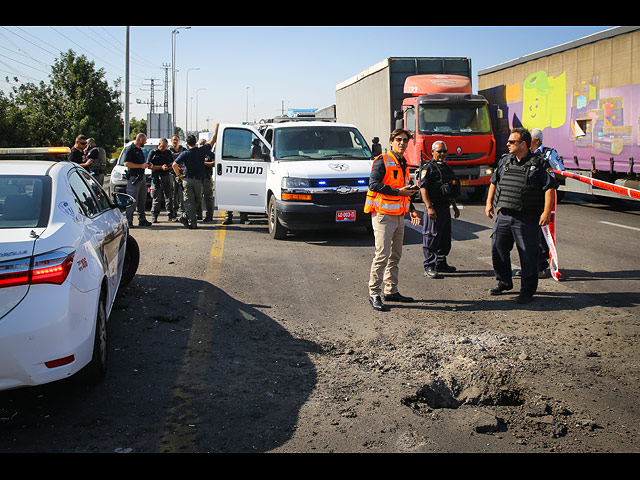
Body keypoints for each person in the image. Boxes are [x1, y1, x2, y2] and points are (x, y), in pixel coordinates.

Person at [485, 127, 558, 304]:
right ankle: (504, 282)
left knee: (528, 254)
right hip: (504, 214)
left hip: (526, 217)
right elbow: (494, 182)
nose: (508, 144)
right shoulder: (504, 161)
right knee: (498, 248)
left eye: (512, 142)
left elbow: (550, 188)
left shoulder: (539, 164)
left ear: (523, 144)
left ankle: (527, 290)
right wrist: (489, 203)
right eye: (508, 141)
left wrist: (546, 212)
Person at [364, 128, 421, 311]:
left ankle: (391, 290)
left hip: (398, 216)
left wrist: (411, 208)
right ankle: (374, 293)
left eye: (405, 140)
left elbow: (403, 189)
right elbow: (373, 184)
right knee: (381, 255)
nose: (402, 143)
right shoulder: (383, 161)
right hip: (383, 215)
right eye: (398, 139)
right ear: (391, 141)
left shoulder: (403, 162)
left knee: (395, 255)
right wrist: (398, 192)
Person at [418, 141, 460, 278]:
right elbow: (423, 189)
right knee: (431, 237)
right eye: (439, 151)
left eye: (444, 151)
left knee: (444, 237)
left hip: (445, 207)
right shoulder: (428, 168)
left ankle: (441, 263)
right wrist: (429, 207)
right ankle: (429, 265)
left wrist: (454, 206)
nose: (442, 154)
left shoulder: (447, 168)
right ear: (432, 152)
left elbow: (451, 189)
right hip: (434, 207)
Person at [530, 128, 564, 277]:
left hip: (542, 198)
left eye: (528, 137)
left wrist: (547, 172)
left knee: (541, 233)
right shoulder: (525, 153)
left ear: (536, 140)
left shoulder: (549, 153)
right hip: (527, 199)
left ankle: (542, 266)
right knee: (527, 234)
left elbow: (561, 173)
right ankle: (531, 265)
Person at [173, 125, 218, 229]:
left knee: (190, 201)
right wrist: (216, 127)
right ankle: (192, 221)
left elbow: (174, 165)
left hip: (188, 180)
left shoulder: (185, 153)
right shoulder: (202, 151)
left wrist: (179, 176)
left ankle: (187, 218)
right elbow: (213, 140)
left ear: (187, 144)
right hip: (198, 181)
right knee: (197, 201)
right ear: (196, 141)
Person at [123, 133, 152, 228]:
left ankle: (142, 219)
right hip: (134, 177)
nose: (146, 142)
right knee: (132, 200)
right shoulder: (130, 149)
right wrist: (140, 166)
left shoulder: (140, 150)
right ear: (140, 140)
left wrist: (147, 165)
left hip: (141, 177)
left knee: (142, 200)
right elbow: (126, 163)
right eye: (144, 140)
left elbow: (141, 163)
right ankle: (129, 221)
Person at [148, 138, 175, 223]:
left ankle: (170, 215)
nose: (164, 149)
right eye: (163, 147)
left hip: (166, 176)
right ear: (159, 145)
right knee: (156, 198)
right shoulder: (153, 152)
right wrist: (160, 167)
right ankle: (154, 216)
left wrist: (168, 167)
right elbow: (149, 165)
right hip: (156, 177)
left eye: (166, 147)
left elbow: (172, 163)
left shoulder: (168, 152)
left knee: (169, 197)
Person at [169, 134, 187, 221]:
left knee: (183, 194)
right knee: (173, 195)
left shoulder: (183, 150)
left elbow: (188, 160)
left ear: (179, 141)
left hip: (182, 175)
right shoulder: (169, 151)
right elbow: (167, 162)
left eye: (176, 140)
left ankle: (183, 213)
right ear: (171, 141)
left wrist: (184, 168)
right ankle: (173, 213)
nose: (175, 141)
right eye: (173, 140)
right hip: (172, 175)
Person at [198, 139, 216, 222]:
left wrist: (202, 163)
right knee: (197, 197)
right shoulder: (196, 153)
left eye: (203, 144)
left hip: (207, 178)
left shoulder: (210, 154)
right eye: (200, 144)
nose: (201, 146)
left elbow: (214, 163)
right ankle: (199, 215)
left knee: (208, 197)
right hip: (197, 178)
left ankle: (209, 215)